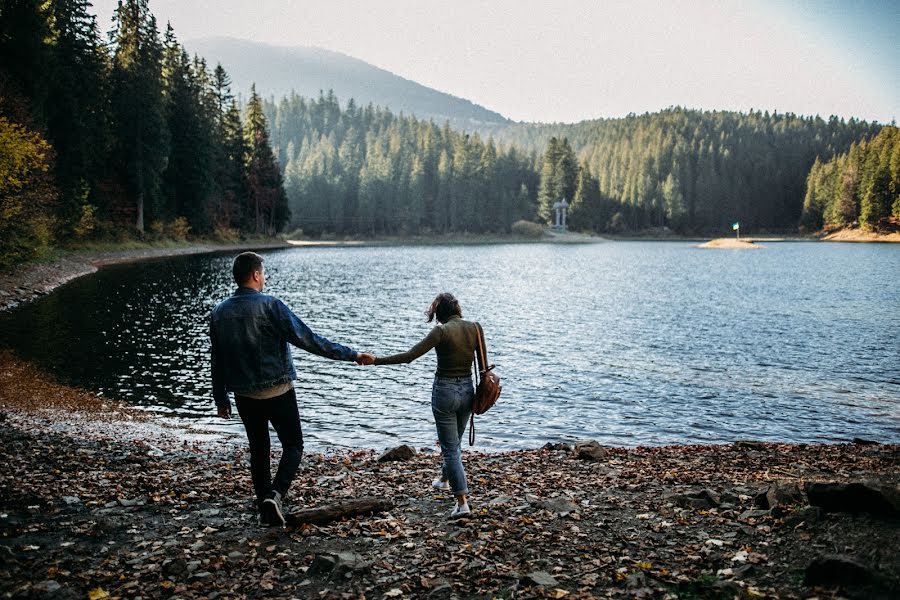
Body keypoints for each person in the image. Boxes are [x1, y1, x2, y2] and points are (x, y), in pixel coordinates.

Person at [211, 251, 374, 527]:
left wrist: (220, 398)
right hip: (278, 391)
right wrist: (352, 354)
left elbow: (217, 358)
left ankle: (264, 502)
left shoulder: (219, 312)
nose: (264, 278)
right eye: (262, 273)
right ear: (255, 275)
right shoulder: (271, 306)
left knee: (259, 449)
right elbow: (309, 339)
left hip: (244, 395)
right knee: (294, 445)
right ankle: (275, 495)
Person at [371, 292, 479, 518]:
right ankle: (443, 479)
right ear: (457, 308)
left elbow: (410, 356)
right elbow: (484, 364)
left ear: (440, 312)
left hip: (445, 392)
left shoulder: (441, 331)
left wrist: (377, 360)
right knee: (454, 443)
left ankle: (462, 503)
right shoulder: (475, 328)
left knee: (450, 448)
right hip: (468, 391)